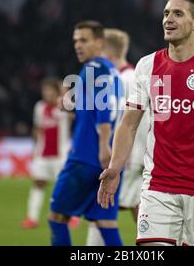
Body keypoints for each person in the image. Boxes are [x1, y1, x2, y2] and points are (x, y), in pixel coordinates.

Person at [98, 0, 194, 246]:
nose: (168, 19)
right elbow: (129, 124)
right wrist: (115, 167)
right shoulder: (147, 66)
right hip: (157, 187)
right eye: (166, 13)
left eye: (178, 14)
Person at [48, 20, 124, 246]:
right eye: (75, 41)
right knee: (105, 223)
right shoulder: (112, 70)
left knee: (57, 218)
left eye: (84, 40)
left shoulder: (92, 68)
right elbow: (98, 109)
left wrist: (103, 144)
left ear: (99, 42)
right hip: (108, 161)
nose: (78, 45)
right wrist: (71, 108)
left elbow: (103, 110)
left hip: (85, 157)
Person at [86, 28, 149, 246]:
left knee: (102, 210)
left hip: (123, 159)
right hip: (133, 157)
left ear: (106, 52)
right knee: (139, 213)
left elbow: (125, 122)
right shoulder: (136, 77)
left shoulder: (120, 80)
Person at [20, 78, 70, 229]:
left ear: (57, 92)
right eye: (44, 91)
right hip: (42, 155)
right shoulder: (39, 107)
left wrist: (64, 92)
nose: (47, 93)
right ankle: (32, 218)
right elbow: (37, 128)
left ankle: (70, 216)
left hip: (61, 155)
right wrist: (35, 149)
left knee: (63, 187)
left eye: (50, 90)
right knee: (38, 184)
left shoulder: (64, 107)